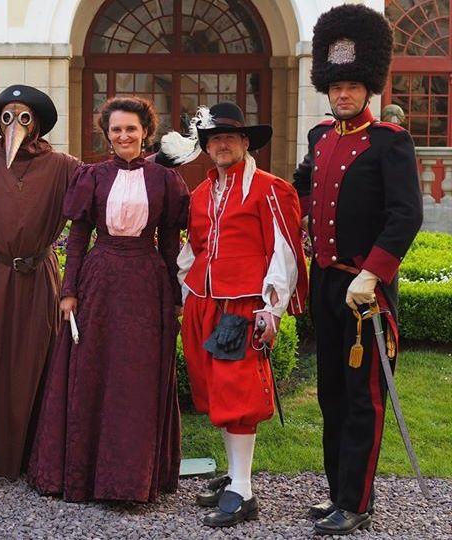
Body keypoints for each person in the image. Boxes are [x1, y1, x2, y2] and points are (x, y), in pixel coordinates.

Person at [293, 5, 423, 535]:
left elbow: (406, 215)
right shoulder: (320, 137)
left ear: (367, 87)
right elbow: (303, 183)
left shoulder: (391, 142)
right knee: (329, 392)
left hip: (363, 288)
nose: (342, 94)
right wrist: (300, 219)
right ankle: (335, 494)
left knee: (361, 398)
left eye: (351, 86)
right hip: (326, 281)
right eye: (336, 86)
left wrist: (373, 272)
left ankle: (357, 500)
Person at [27, 96, 189, 502]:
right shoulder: (92, 177)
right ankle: (85, 476)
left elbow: (171, 242)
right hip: (99, 282)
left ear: (146, 132)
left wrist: (175, 294)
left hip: (145, 286)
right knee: (94, 371)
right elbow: (78, 239)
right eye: (116, 129)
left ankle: (132, 478)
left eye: (131, 128)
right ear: (107, 134)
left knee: (136, 378)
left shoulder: (165, 180)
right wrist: (69, 291)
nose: (123, 136)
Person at [178, 101, 308, 527]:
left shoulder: (271, 189)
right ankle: (234, 474)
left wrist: (272, 309)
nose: (222, 145)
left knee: (237, 394)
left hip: (243, 305)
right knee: (214, 391)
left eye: (230, 138)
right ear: (207, 146)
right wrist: (185, 292)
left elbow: (284, 250)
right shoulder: (199, 193)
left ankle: (243, 491)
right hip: (203, 302)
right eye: (215, 139)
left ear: (246, 142)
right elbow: (194, 249)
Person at [0, 85, 81, 479]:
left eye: (23, 117)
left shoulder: (63, 166)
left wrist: (156, 162)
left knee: (38, 357)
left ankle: (35, 455)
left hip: (39, 277)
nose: (14, 125)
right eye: (7, 117)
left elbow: (106, 184)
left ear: (37, 123)